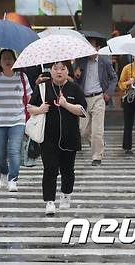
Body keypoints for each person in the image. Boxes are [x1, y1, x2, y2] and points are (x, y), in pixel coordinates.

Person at [28, 61, 87, 216]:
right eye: (55, 69)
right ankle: (49, 201)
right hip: (48, 137)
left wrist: (66, 104)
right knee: (50, 169)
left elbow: (82, 110)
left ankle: (66, 195)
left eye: (62, 68)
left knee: (68, 170)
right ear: (51, 71)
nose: (59, 72)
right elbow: (30, 107)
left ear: (68, 71)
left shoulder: (74, 88)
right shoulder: (42, 87)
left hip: (70, 137)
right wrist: (40, 109)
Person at [0, 49, 32, 192]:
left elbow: (29, 97)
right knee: (0, 155)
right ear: (0, 62)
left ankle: (13, 179)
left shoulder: (22, 77)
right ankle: (3, 173)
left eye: (10, 58)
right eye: (4, 58)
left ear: (15, 60)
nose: (7, 61)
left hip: (18, 120)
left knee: (14, 151)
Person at [73, 38, 118, 166]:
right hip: (83, 99)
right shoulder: (80, 61)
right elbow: (75, 81)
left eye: (92, 48)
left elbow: (114, 78)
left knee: (97, 130)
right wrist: (76, 74)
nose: (89, 51)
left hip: (99, 97)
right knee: (83, 130)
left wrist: (108, 92)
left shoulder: (104, 61)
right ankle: (99, 144)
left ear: (98, 48)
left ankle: (97, 157)